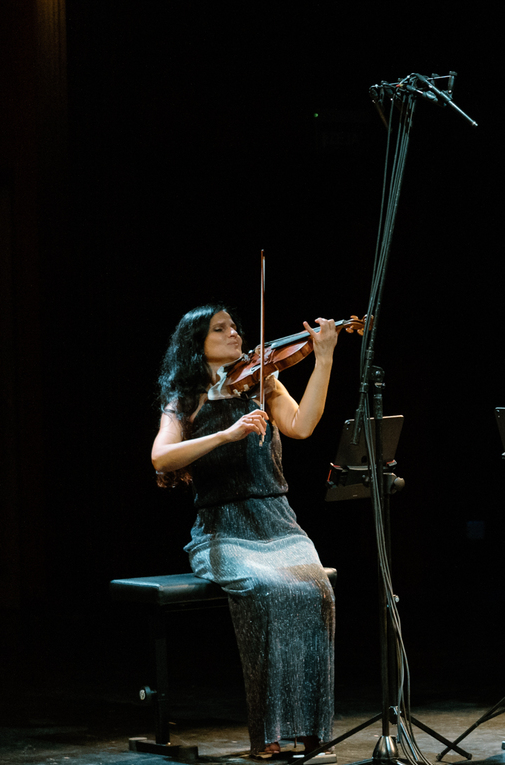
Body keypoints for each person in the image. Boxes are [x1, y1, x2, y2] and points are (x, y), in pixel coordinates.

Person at [149, 304, 340, 758]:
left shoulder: (263, 383)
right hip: (222, 529)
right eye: (221, 330)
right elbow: (161, 458)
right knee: (264, 588)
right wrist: (226, 435)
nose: (236, 335)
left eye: (235, 327)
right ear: (197, 344)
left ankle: (313, 731)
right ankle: (269, 734)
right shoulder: (185, 400)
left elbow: (302, 425)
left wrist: (325, 358)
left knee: (318, 593)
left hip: (279, 521)